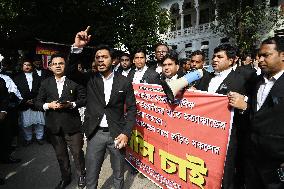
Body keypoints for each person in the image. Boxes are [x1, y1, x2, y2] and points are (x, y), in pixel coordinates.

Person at [68, 27, 137, 189]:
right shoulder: (89, 79)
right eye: (98, 57)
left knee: (118, 174)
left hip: (117, 134)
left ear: (114, 61)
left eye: (104, 57)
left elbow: (132, 109)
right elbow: (70, 72)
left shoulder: (124, 81)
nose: (100, 60)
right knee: (91, 174)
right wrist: (77, 47)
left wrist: (126, 133)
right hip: (95, 134)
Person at [195, 44, 248, 189]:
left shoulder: (242, 80)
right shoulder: (207, 78)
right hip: (205, 136)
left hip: (228, 139)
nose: (215, 60)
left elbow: (248, 111)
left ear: (231, 60)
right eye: (214, 56)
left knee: (225, 176)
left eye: (220, 57)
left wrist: (243, 107)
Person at [35, 54, 87, 189]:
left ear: (65, 66)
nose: (58, 66)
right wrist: (49, 105)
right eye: (55, 64)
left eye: (61, 63)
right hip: (54, 127)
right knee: (61, 155)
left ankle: (82, 174)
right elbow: (38, 103)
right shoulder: (45, 83)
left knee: (77, 152)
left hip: (73, 126)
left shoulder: (74, 82)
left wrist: (72, 104)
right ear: (51, 67)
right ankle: (66, 177)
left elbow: (83, 99)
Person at [242, 36, 284, 189]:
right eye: (259, 55)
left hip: (276, 163)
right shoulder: (255, 82)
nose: (260, 59)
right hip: (252, 159)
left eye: (266, 55)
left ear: (282, 55)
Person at [14, 59, 45, 146]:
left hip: (36, 103)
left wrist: (35, 100)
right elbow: (15, 91)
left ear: (32, 66)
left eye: (29, 65)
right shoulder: (17, 78)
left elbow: (42, 90)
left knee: (39, 123)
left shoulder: (38, 77)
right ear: (22, 66)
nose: (27, 66)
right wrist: (24, 101)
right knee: (26, 124)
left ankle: (39, 138)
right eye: (25, 64)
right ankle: (28, 138)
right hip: (24, 103)